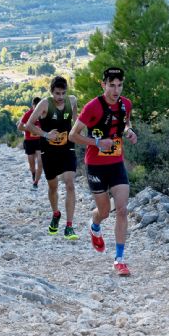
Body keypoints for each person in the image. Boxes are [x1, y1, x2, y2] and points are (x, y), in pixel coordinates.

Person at [69, 67, 138, 276]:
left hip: (116, 163)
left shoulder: (126, 104)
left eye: (119, 85)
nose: (116, 90)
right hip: (96, 165)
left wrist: (129, 132)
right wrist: (98, 142)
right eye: (111, 85)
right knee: (105, 212)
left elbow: (125, 124)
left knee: (122, 209)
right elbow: (73, 135)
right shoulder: (93, 107)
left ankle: (119, 259)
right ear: (103, 85)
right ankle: (95, 224)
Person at [25, 76, 79, 240]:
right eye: (57, 93)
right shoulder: (44, 104)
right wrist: (45, 134)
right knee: (53, 187)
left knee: (70, 184)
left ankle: (69, 226)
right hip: (48, 150)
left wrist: (79, 133)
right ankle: (56, 213)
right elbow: (29, 124)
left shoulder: (72, 101)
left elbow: (76, 120)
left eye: (63, 93)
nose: (60, 97)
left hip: (67, 148)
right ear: (51, 91)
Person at [17, 97, 43, 190]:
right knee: (32, 163)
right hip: (29, 141)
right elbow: (20, 127)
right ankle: (33, 175)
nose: (38, 109)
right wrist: (30, 128)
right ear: (33, 105)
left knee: (40, 162)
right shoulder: (28, 114)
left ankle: (36, 182)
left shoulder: (43, 113)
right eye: (36, 106)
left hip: (40, 141)